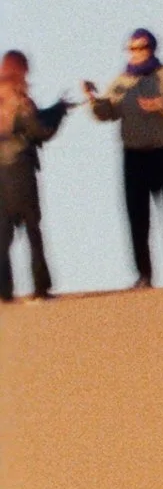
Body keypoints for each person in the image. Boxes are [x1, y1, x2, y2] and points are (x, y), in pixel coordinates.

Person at [82, 30, 163, 287]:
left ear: (152, 48)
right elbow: (107, 112)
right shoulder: (122, 81)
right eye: (131, 48)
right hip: (135, 155)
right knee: (137, 219)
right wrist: (93, 99)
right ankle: (144, 276)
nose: (135, 52)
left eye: (140, 47)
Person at [0, 50, 71, 303]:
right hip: (20, 168)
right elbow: (38, 130)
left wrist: (56, 108)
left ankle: (4, 292)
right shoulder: (17, 96)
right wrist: (60, 114)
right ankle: (41, 288)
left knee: (4, 234)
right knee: (32, 229)